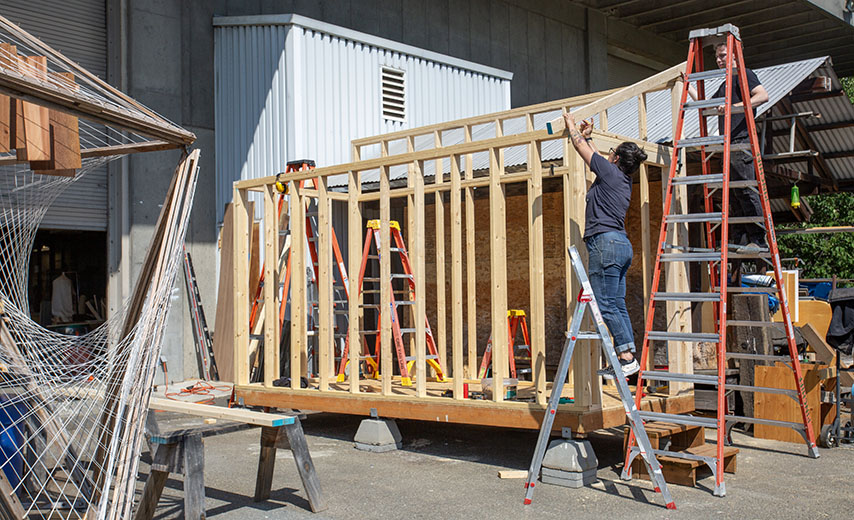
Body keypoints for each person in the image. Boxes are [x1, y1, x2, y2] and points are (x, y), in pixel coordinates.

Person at [563, 112, 647, 379]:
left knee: (605, 303)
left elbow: (579, 147)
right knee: (617, 304)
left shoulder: (610, 172)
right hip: (621, 245)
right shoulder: (620, 178)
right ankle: (629, 356)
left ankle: (624, 356)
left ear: (617, 159)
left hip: (606, 243)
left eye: (612, 153)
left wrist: (571, 126)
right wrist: (589, 137)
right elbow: (596, 158)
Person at [684, 42, 769, 252]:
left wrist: (732, 108)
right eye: (717, 56)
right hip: (729, 144)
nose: (719, 60)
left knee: (746, 189)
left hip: (740, 141)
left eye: (723, 55)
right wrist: (687, 85)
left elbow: (762, 96)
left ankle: (759, 239)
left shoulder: (743, 74)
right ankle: (742, 239)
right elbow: (707, 104)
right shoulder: (726, 84)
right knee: (735, 194)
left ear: (733, 56)